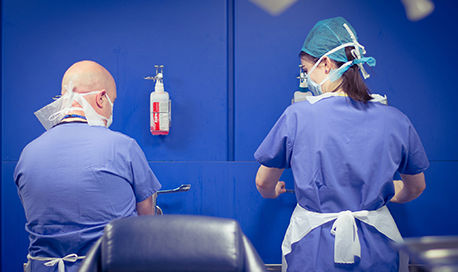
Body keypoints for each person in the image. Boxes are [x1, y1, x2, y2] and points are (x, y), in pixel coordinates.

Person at [254, 17, 428, 272]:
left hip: (312, 251)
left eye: (305, 69)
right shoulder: (395, 120)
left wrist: (273, 191)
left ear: (325, 64)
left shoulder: (297, 116)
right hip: (378, 252)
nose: (306, 76)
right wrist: (385, 190)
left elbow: (263, 183)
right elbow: (416, 188)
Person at [14, 60, 162, 272]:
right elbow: (146, 224)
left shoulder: (28, 153)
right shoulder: (123, 147)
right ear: (101, 98)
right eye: (112, 101)